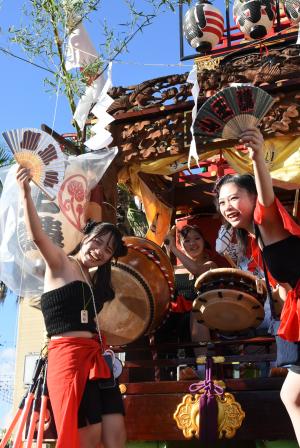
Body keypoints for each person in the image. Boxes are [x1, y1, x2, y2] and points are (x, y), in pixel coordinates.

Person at [16, 165, 128, 448]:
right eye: (98, 242)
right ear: (86, 235)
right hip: (66, 358)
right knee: (87, 435)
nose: (100, 251)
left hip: (95, 358)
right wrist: (25, 192)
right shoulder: (61, 263)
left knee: (115, 432)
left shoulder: (92, 282)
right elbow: (38, 236)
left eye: (108, 250)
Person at [213, 127, 300, 445]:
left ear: (252, 199)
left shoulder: (266, 221)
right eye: (222, 202)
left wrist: (258, 159)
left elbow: (267, 196)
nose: (227, 206)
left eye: (234, 197)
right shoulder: (255, 241)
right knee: (292, 395)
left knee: (292, 395)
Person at [164, 224, 217, 378]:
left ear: (204, 241)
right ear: (181, 244)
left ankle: (202, 369)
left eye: (197, 238)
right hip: (175, 315)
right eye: (187, 240)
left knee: (196, 312)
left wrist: (174, 249)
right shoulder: (172, 269)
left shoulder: (209, 265)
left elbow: (197, 271)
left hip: (202, 314)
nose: (192, 243)